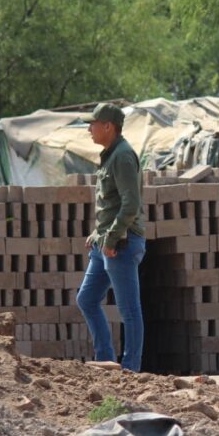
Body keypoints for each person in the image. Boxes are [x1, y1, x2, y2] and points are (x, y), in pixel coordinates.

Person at [75, 103, 146, 371]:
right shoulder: (110, 154)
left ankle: (130, 370)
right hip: (106, 241)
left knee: (129, 310)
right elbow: (111, 202)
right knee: (86, 299)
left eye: (93, 124)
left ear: (108, 126)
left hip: (122, 244)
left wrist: (112, 238)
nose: (89, 129)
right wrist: (98, 233)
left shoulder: (123, 156)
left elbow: (131, 205)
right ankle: (105, 358)